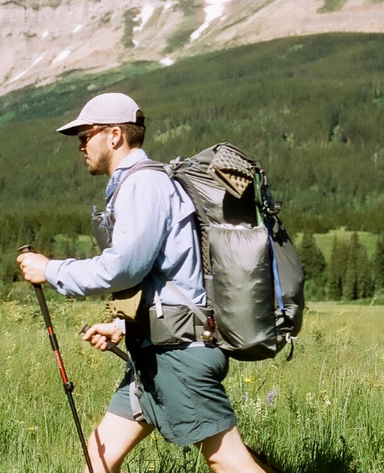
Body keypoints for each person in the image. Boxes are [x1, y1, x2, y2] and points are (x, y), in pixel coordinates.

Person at [17, 93, 267, 473]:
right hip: (153, 355)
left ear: (114, 135)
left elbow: (125, 268)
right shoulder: (137, 184)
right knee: (98, 460)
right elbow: (164, 276)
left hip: (178, 355)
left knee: (228, 461)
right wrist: (122, 325)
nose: (80, 146)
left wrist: (50, 270)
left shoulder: (144, 185)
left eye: (85, 136)